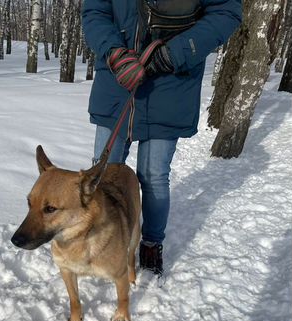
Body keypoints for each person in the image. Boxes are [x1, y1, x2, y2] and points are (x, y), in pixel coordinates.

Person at [82, 0, 242, 278]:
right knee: (101, 172)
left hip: (170, 84)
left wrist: (176, 53)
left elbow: (225, 11)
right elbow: (95, 11)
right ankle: (99, 233)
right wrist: (113, 52)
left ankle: (151, 243)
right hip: (116, 81)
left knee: (154, 174)